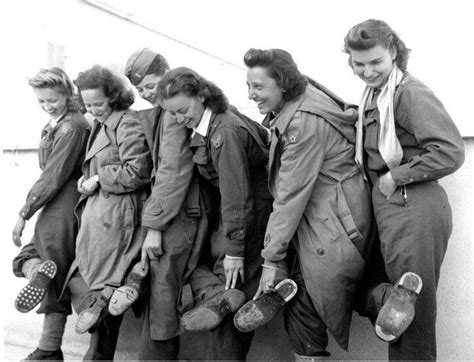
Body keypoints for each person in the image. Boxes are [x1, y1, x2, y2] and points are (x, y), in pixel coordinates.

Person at [244, 48, 381, 360]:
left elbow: (290, 197)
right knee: (323, 297)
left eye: (258, 87)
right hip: (336, 218)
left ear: (282, 84)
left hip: (333, 224)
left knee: (304, 311)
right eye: (248, 86)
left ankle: (386, 300)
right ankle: (385, 298)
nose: (251, 94)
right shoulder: (301, 98)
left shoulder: (302, 123)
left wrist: (271, 259)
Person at [343, 19, 464, 360]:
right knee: (365, 291)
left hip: (413, 206)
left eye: (375, 62)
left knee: (412, 321)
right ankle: (389, 297)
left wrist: (396, 176)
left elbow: (450, 151)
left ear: (394, 53)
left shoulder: (409, 92)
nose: (367, 71)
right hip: (389, 209)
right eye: (358, 64)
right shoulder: (375, 96)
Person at [157, 67, 274, 360]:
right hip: (238, 216)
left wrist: (235, 250)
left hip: (250, 219)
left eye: (183, 110)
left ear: (201, 96)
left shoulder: (224, 132)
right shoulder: (209, 124)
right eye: (172, 114)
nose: (179, 119)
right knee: (215, 285)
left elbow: (238, 198)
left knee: (231, 291)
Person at [117, 48, 208, 360]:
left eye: (151, 85)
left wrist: (154, 227)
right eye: (140, 89)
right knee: (160, 293)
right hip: (174, 211)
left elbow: (173, 172)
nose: (146, 94)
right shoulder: (166, 110)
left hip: (178, 215)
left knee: (162, 295)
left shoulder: (173, 113)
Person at [62, 65, 152, 360]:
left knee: (102, 283)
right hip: (101, 216)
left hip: (117, 219)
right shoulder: (101, 124)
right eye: (87, 105)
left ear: (114, 97)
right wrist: (86, 178)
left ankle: (97, 354)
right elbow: (99, 164)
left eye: (98, 104)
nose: (93, 110)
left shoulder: (126, 122)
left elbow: (138, 171)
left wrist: (99, 178)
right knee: (85, 280)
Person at [11, 67, 90, 360]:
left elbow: (54, 175)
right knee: (31, 259)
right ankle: (38, 275)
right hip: (54, 202)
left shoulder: (73, 126)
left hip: (64, 203)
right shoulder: (57, 124)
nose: (47, 106)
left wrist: (24, 212)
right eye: (41, 101)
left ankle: (49, 350)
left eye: (52, 100)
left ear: (68, 94)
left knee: (54, 271)